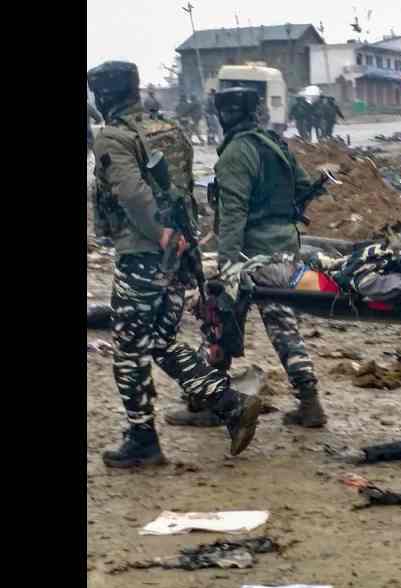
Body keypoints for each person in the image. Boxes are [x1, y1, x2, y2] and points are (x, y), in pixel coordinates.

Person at [87, 61, 261, 468]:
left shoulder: (113, 137)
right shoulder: (166, 127)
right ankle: (228, 402)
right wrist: (183, 241)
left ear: (104, 96)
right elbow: (184, 189)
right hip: (178, 254)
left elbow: (130, 192)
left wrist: (159, 232)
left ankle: (142, 438)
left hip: (144, 253)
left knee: (129, 347)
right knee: (161, 342)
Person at [168, 87, 328, 429]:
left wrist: (226, 270)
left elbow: (233, 216)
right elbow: (301, 188)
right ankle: (310, 402)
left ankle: (210, 402)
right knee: (282, 327)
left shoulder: (236, 153)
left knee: (217, 319)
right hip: (285, 248)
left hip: (249, 255)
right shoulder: (275, 145)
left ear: (225, 115)